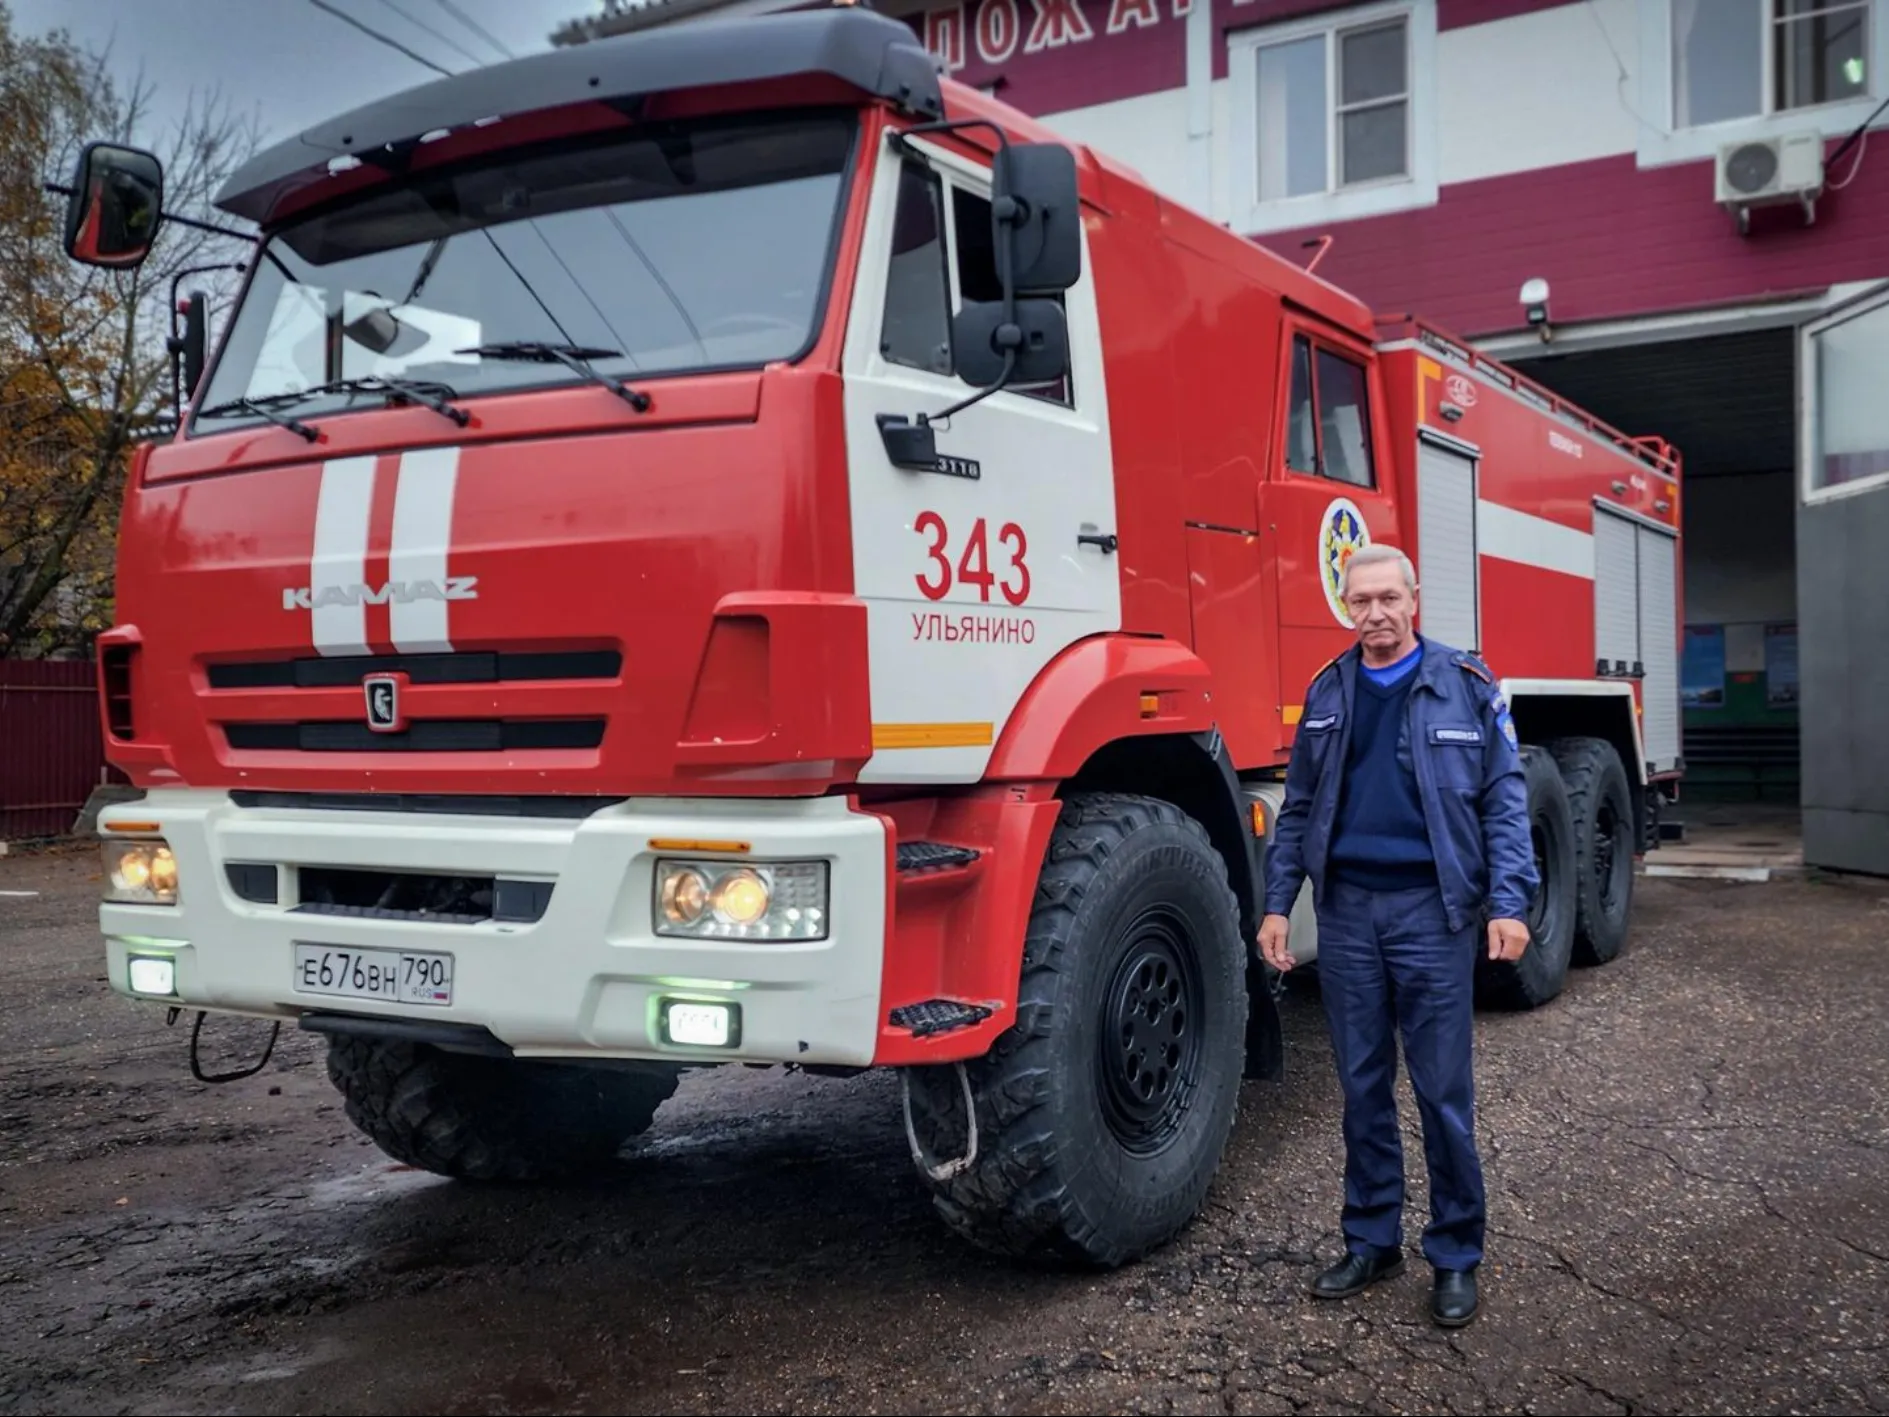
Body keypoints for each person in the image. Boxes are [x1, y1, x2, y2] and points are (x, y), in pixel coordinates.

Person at [1258, 542, 1537, 1329]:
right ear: (1345, 606)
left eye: (1388, 597)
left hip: (1429, 914)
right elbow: (1298, 809)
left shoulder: (1465, 684)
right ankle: (1371, 1240)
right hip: (1347, 915)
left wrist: (1508, 903)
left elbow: (1503, 801)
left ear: (1413, 599)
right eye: (1360, 600)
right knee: (1361, 1088)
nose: (1374, 612)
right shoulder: (1326, 689)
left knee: (1441, 1092)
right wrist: (1277, 904)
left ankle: (1454, 1254)